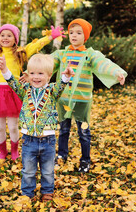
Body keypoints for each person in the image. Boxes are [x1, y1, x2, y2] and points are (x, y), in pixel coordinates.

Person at [0, 7, 65, 161]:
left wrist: (50, 37)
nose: (5, 38)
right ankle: (2, 152)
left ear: (15, 39)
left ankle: (14, 150)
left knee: (12, 126)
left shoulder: (19, 53)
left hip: (13, 92)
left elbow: (35, 46)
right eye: (2, 35)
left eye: (9, 35)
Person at [52, 18, 127, 173]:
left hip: (82, 102)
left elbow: (103, 63)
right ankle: (61, 156)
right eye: (71, 32)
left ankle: (85, 160)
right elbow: (47, 63)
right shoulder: (62, 54)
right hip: (63, 99)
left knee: (84, 132)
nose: (74, 35)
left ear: (85, 36)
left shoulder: (90, 54)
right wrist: (31, 72)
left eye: (79, 33)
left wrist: (117, 72)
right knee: (63, 130)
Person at [0, 54, 74, 201]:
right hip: (29, 140)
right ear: (27, 74)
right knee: (28, 171)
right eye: (32, 73)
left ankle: (47, 192)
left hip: (48, 141)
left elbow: (61, 86)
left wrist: (66, 77)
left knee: (48, 171)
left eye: (40, 73)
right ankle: (27, 193)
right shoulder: (25, 90)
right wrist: (5, 69)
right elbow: (13, 83)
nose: (35, 77)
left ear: (49, 76)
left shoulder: (51, 91)